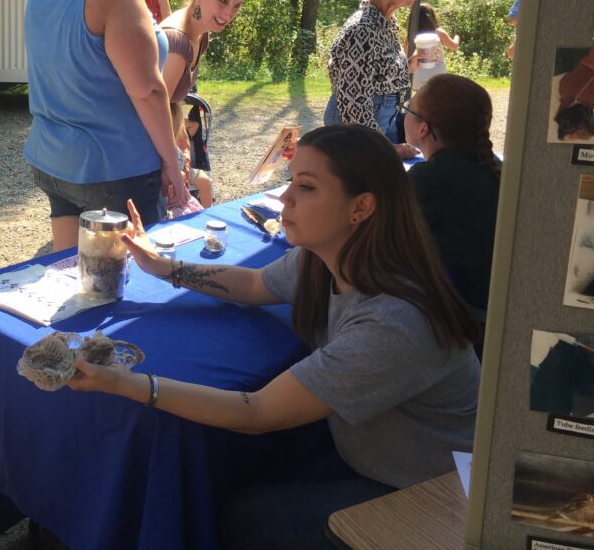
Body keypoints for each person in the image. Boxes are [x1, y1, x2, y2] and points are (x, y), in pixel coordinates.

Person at [68, 124, 481, 549]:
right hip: (374, 459)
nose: (285, 198)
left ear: (361, 207)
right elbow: (254, 285)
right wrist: (165, 268)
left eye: (306, 187)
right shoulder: (328, 259)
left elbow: (256, 411)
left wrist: (120, 381)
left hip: (434, 494)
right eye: (291, 181)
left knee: (247, 519)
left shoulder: (394, 323)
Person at [23, 0, 186, 251]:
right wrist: (171, 162)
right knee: (132, 284)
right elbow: (147, 91)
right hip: (115, 169)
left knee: (71, 274)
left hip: (53, 162)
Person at [402, 75, 500, 335]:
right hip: (493, 303)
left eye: (408, 108)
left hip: (469, 316)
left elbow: (384, 236)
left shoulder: (430, 178)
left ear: (423, 128)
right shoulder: (491, 165)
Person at [325, 0, 419, 157]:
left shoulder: (385, 23)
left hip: (380, 126)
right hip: (359, 132)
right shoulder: (361, 29)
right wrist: (387, 149)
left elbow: (376, 76)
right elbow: (354, 103)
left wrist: (407, 66)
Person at [160, 0, 255, 103]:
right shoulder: (176, 42)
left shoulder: (201, 34)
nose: (228, 14)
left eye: (237, 6)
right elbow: (152, 119)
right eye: (223, 1)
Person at [405, 2, 459, 91]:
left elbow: (405, 56)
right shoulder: (439, 33)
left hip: (418, 77)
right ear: (432, 18)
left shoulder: (410, 37)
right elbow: (454, 46)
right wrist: (457, 37)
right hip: (438, 74)